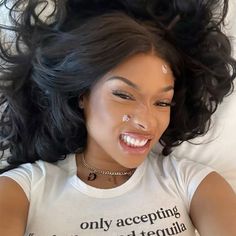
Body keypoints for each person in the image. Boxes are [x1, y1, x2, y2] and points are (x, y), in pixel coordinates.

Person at [0, 0, 236, 235]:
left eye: (162, 102)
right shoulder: (24, 190)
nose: (147, 121)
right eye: (123, 95)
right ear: (82, 95)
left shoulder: (195, 184)